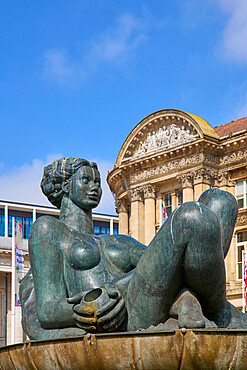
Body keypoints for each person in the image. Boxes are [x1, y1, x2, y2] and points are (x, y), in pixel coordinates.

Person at [20, 158, 247, 340]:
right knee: (192, 216)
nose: (95, 187)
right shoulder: (49, 230)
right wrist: (90, 309)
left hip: (140, 296)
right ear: (66, 187)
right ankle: (203, 306)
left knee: (221, 201)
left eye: (97, 182)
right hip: (122, 314)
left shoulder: (117, 240)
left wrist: (116, 288)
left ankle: (197, 302)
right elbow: (47, 310)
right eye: (86, 181)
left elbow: (165, 268)